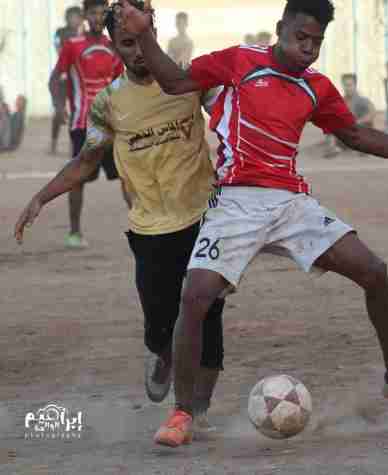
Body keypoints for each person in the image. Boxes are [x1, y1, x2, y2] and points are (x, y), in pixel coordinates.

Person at [119, 0, 388, 448]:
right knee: (195, 296)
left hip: (290, 202)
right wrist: (145, 34)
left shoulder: (316, 88)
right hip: (235, 203)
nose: (308, 48)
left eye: (316, 42)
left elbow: (359, 137)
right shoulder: (240, 61)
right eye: (300, 37)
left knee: (374, 271)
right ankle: (183, 413)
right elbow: (172, 81)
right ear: (280, 29)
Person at [15, 0, 225, 440]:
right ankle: (162, 354)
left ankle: (194, 415)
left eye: (142, 39)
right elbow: (87, 161)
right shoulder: (109, 103)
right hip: (151, 230)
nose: (137, 52)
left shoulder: (189, 80)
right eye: (126, 44)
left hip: (205, 221)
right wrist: (42, 196)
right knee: (158, 324)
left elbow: (232, 116)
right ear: (114, 46)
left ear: (154, 31)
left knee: (208, 318)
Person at [49, 0, 125, 249]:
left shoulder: (114, 47)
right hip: (82, 124)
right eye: (93, 13)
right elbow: (55, 80)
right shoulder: (72, 46)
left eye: (103, 12)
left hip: (111, 125)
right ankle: (74, 232)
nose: (98, 17)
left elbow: (119, 85)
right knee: (78, 178)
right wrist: (60, 107)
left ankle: (142, 228)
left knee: (127, 174)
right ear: (85, 15)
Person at [50, 6, 85, 155]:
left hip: (75, 76)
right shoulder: (60, 32)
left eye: (77, 17)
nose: (74, 19)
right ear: (67, 18)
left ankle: (74, 145)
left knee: (76, 112)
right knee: (59, 112)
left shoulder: (85, 34)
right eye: (71, 16)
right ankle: (53, 142)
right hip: (60, 77)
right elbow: (59, 48)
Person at [324, 73, 376, 157]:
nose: (347, 88)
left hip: (358, 132)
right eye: (345, 85)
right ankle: (332, 148)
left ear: (355, 85)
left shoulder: (362, 100)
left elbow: (372, 112)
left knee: (366, 125)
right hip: (345, 135)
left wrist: (358, 122)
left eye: (349, 85)